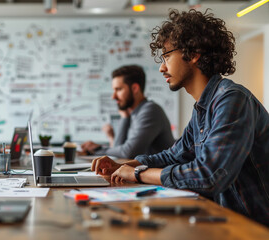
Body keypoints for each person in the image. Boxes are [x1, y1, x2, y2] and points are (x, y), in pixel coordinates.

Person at [91, 9, 269, 226]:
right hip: (226, 222)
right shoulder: (203, 108)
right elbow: (175, 155)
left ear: (194, 53)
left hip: (255, 227)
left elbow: (208, 177)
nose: (161, 67)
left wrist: (138, 173)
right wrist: (122, 165)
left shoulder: (232, 100)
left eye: (167, 56)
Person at [81, 65, 174, 159]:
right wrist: (125, 118)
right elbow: (118, 152)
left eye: (118, 89)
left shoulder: (150, 111)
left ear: (135, 88)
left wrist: (97, 149)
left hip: (157, 172)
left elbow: (128, 153)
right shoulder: (134, 114)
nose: (113, 97)